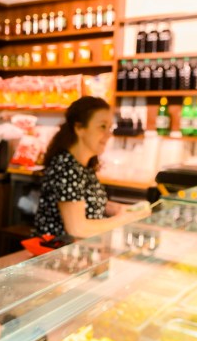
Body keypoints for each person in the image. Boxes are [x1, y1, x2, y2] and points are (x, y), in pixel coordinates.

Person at [34, 96, 150, 238]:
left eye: (109, 128)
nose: (108, 135)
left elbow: (90, 203)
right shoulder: (66, 166)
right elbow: (77, 228)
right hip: (56, 254)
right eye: (102, 127)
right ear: (79, 128)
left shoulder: (83, 165)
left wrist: (120, 209)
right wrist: (124, 219)